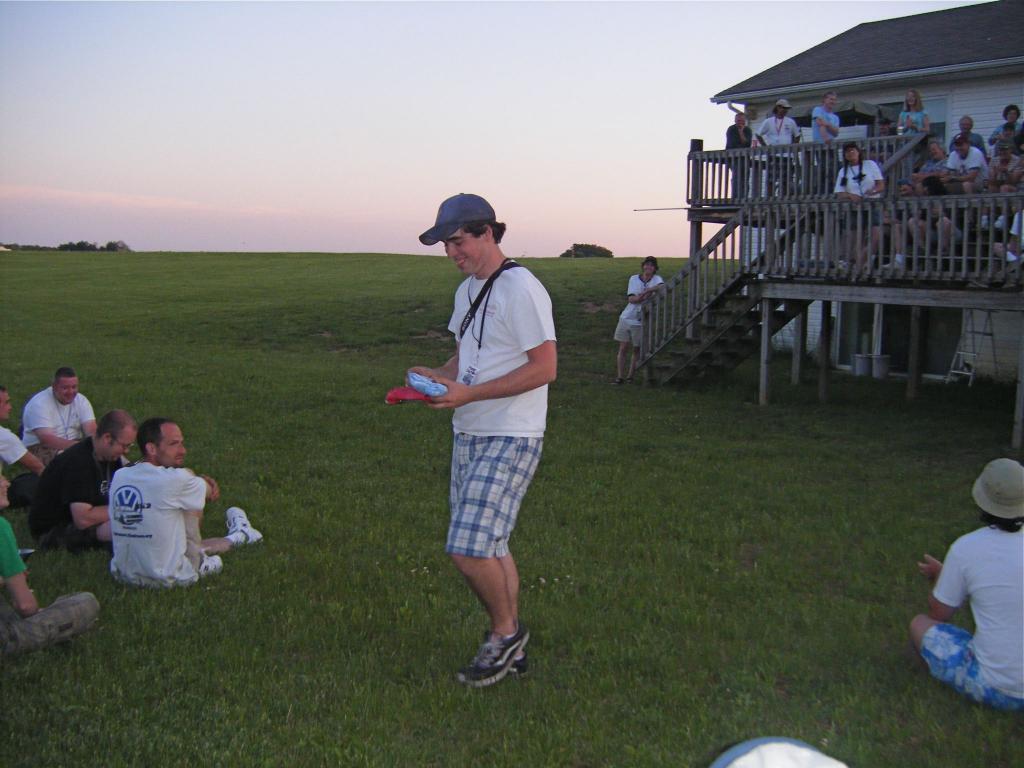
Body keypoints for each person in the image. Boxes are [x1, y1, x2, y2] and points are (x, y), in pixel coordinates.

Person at [411, 193, 557, 687]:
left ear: (488, 233)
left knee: (468, 547)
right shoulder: (468, 291)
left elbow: (546, 367)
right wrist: (437, 376)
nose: (452, 253)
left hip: (511, 432)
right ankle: (512, 644)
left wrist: (468, 392)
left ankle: (503, 633)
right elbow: (465, 357)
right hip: (469, 429)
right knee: (490, 543)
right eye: (446, 245)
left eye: (458, 242)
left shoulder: (521, 289)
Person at [910, 458, 1024, 712]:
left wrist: (942, 577)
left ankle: (927, 677)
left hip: (994, 686)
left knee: (920, 624)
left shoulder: (966, 548)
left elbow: (939, 615)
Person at [108, 418, 262, 588]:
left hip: (123, 575)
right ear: (151, 448)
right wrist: (196, 478)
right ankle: (238, 537)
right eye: (174, 444)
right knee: (189, 497)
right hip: (171, 577)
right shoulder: (177, 479)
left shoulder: (120, 476)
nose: (183, 450)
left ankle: (239, 536)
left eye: (182, 443)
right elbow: (209, 491)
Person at [0, 476, 100, 657]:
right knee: (86, 601)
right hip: (7, 637)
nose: (7, 483)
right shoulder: (1, 528)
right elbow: (25, 606)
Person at [28, 410, 136, 552]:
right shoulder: (79, 463)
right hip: (55, 530)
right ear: (107, 438)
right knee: (125, 526)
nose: (126, 451)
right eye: (124, 445)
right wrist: (130, 509)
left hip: (83, 519)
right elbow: (83, 519)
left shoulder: (110, 456)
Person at [21, 366, 97, 467]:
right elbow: (47, 440)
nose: (70, 392)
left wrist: (98, 444)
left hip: (75, 443)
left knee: (106, 450)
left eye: (74, 387)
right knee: (70, 461)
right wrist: (81, 447)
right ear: (54, 386)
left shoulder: (81, 401)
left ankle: (123, 468)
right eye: (65, 388)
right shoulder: (39, 404)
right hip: (41, 447)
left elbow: (91, 430)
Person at [613, 257, 665, 384]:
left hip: (641, 320)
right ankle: (620, 376)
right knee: (623, 347)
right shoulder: (634, 278)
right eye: (647, 265)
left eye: (652, 266)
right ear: (643, 266)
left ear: (654, 269)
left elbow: (662, 287)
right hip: (626, 317)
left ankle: (630, 376)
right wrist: (643, 296)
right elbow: (631, 299)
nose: (648, 268)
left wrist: (649, 290)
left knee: (636, 349)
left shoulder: (656, 279)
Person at [834, 142, 884, 271]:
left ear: (858, 152)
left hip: (872, 204)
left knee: (875, 235)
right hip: (854, 208)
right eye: (847, 152)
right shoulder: (843, 171)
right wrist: (851, 196)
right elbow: (839, 192)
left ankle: (859, 264)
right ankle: (859, 268)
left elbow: (880, 184)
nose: (850, 153)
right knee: (857, 239)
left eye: (853, 150)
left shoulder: (870, 165)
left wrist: (873, 192)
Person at [0, 386, 45, 508]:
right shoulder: (4, 437)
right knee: (31, 482)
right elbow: (38, 467)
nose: (10, 407)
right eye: (6, 403)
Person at [755, 98, 801, 196]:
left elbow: (797, 135)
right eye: (783, 108)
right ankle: (770, 198)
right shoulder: (769, 121)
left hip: (787, 155)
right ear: (778, 107)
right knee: (771, 179)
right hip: (773, 155)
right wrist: (765, 147)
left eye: (787, 108)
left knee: (786, 179)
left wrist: (793, 147)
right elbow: (758, 134)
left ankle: (783, 198)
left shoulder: (790, 121)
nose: (785, 110)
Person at [725, 112, 753, 199]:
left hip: (745, 158)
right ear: (735, 120)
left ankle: (744, 197)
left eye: (741, 120)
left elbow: (747, 143)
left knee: (745, 178)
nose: (739, 122)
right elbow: (732, 144)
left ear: (745, 121)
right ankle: (735, 197)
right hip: (733, 158)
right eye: (738, 120)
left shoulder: (748, 130)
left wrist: (741, 132)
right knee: (736, 178)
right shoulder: (731, 129)